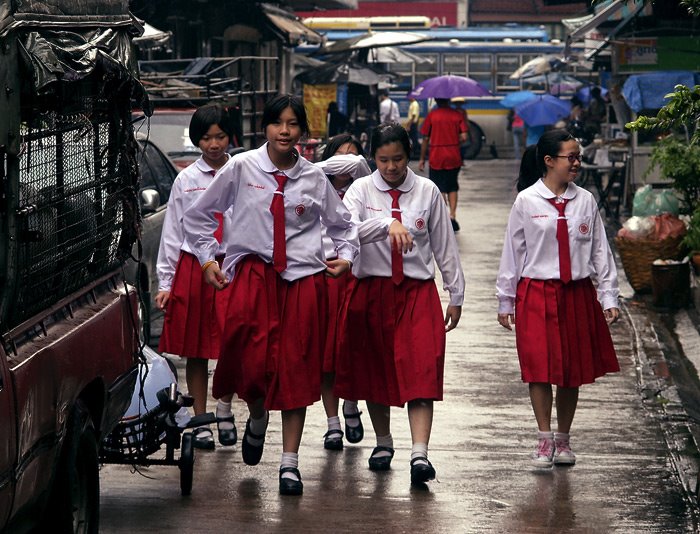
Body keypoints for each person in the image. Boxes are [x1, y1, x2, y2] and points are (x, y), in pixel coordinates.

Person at [183, 94, 359, 496]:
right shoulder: (242, 167)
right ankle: (257, 414)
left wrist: (346, 257)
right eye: (277, 123)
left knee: (297, 367)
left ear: (303, 131)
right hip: (253, 276)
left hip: (302, 280)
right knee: (249, 360)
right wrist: (208, 261)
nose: (285, 131)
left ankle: (290, 462)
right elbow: (198, 215)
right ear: (264, 127)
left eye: (293, 124)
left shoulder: (314, 177)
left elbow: (343, 226)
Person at [336, 123, 465, 486]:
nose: (391, 168)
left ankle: (420, 452)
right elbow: (342, 232)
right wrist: (385, 223)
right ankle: (383, 442)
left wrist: (456, 294)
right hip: (371, 290)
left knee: (422, 368)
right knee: (375, 369)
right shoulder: (360, 190)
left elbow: (444, 247)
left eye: (398, 159)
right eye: (383, 160)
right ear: (372, 158)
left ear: (409, 156)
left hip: (417, 292)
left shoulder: (427, 191)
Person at [496, 129, 620, 469]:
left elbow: (600, 251)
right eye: (571, 157)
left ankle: (563, 439)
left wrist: (609, 295)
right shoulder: (527, 201)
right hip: (536, 291)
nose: (578, 163)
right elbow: (513, 252)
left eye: (578, 156)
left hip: (576, 293)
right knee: (538, 368)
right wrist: (506, 300)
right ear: (549, 161)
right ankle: (544, 437)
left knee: (570, 370)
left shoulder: (585, 201)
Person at [155, 103, 236, 450]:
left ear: (230, 136)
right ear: (196, 140)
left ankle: (225, 409)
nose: (213, 144)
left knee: (234, 345)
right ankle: (202, 419)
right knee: (197, 349)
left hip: (233, 264)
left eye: (219, 136)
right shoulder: (186, 179)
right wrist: (165, 283)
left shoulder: (245, 172)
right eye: (206, 138)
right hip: (194, 270)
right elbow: (173, 232)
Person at [313, 134, 372, 451]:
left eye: (353, 155)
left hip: (356, 275)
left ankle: (351, 405)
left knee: (352, 349)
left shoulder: (364, 185)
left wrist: (309, 163)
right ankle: (332, 423)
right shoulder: (314, 185)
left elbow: (360, 164)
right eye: (340, 155)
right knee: (326, 355)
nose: (347, 162)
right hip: (324, 276)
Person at [418, 98, 467, 232]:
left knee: (439, 187)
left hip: (436, 155)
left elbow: (425, 139)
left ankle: (443, 216)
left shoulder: (432, 116)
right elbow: (464, 137)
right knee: (452, 185)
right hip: (453, 154)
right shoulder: (457, 115)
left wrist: (422, 158)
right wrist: (454, 140)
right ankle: (452, 215)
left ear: (436, 101)